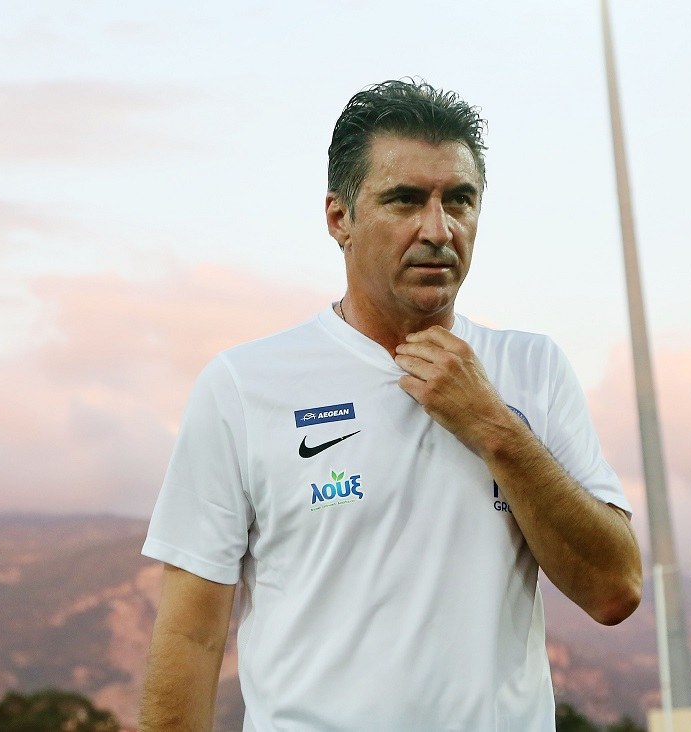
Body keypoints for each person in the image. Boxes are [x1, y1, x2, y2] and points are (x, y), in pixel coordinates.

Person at [139, 78, 643, 730]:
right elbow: (191, 638)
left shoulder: (532, 368)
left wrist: (494, 428)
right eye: (405, 199)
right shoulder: (244, 385)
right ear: (339, 218)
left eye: (459, 200)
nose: (439, 229)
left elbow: (614, 590)